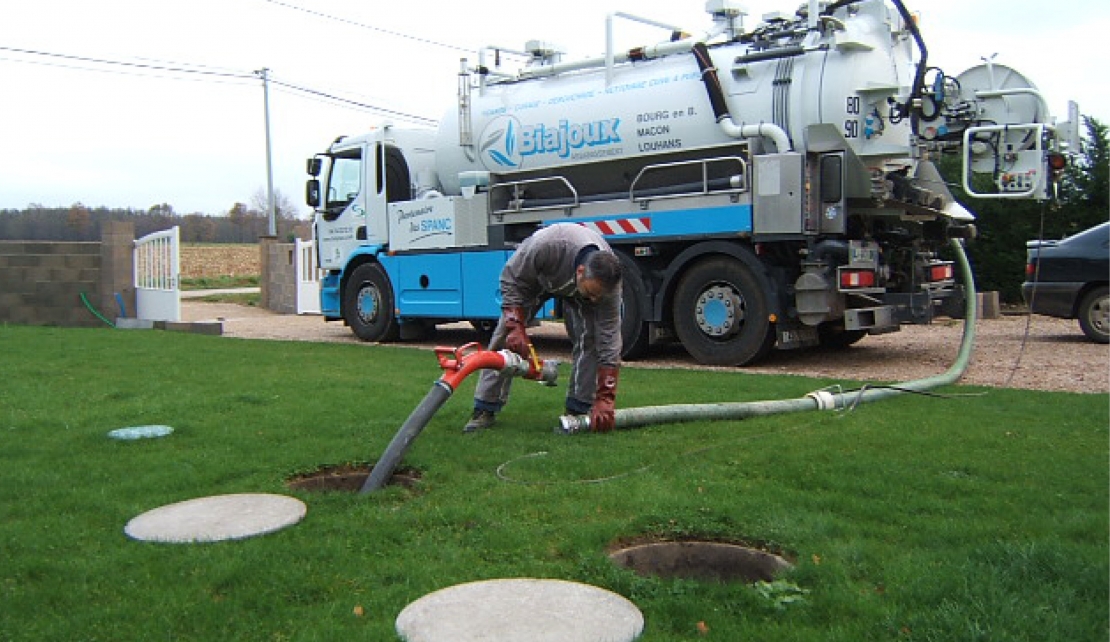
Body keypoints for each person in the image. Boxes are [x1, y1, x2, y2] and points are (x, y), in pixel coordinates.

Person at [465, 223, 623, 433]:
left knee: (592, 340)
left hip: (574, 288)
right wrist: (516, 326)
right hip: (535, 281)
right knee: (504, 337)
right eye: (592, 292)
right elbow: (510, 278)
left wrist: (606, 397)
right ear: (580, 271)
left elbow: (610, 338)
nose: (595, 299)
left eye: (599, 296)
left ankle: (579, 408)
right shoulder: (548, 245)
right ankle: (485, 407)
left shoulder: (608, 285)